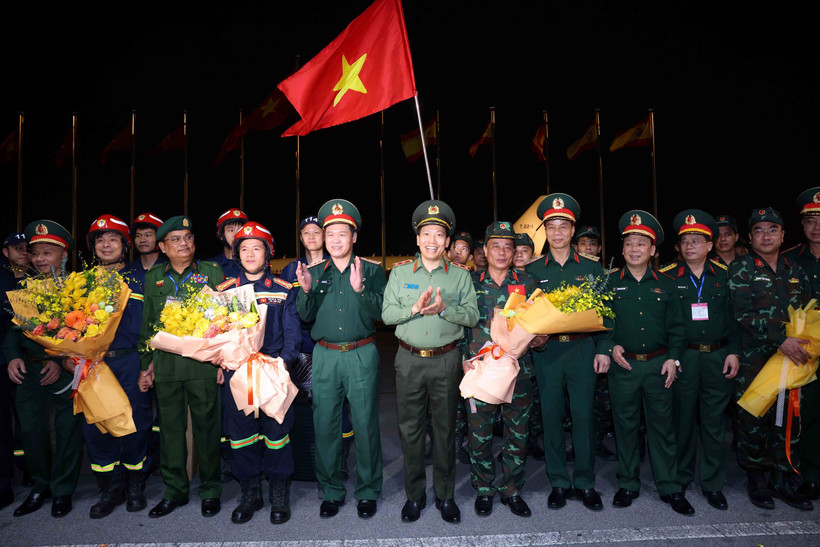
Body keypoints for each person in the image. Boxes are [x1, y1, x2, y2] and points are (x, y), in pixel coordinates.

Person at [382, 200, 478, 523]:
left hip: (445, 361)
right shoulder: (399, 273)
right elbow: (386, 315)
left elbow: (472, 315)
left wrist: (444, 310)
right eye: (427, 234)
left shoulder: (460, 277)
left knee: (445, 429)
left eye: (439, 234)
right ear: (418, 239)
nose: (433, 240)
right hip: (408, 361)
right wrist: (414, 310)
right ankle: (414, 495)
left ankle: (445, 495)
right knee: (410, 431)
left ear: (448, 241)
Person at [295, 199, 386, 519]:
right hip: (325, 357)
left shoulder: (373, 270)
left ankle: (368, 490)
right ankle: (331, 490)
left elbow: (383, 314)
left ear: (354, 236)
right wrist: (306, 290)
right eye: (329, 233)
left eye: (342, 233)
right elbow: (305, 316)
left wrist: (361, 290)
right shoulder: (314, 272)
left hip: (361, 353)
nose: (335, 239)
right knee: (325, 426)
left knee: (365, 425)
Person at [602, 210, 694, 515]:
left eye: (641, 243)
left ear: (653, 250)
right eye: (629, 243)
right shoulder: (610, 282)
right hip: (623, 367)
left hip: (658, 366)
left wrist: (673, 359)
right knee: (625, 427)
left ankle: (670, 486)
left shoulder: (667, 284)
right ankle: (628, 483)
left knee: (662, 428)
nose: (634, 249)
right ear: (623, 248)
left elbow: (678, 329)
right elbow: (603, 324)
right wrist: (611, 345)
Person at [524, 194, 610, 512]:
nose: (557, 232)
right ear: (545, 231)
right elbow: (525, 315)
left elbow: (606, 314)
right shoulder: (532, 270)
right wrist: (532, 338)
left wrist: (603, 349)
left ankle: (585, 482)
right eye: (552, 226)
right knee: (551, 418)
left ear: (572, 231)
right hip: (547, 353)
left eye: (563, 226)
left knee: (584, 418)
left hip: (582, 349)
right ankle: (559, 482)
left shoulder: (592, 268)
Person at [137, 215, 225, 518]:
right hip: (167, 366)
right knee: (170, 431)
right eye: (175, 239)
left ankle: (211, 489)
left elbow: (223, 320)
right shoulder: (155, 277)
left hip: (202, 364)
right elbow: (148, 323)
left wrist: (221, 360)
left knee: (208, 430)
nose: (184, 243)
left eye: (188, 237)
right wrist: (145, 365)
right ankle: (175, 491)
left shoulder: (212, 271)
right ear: (162, 246)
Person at [214, 221, 300, 524]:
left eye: (257, 247)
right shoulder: (225, 291)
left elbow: (293, 335)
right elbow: (215, 334)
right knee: (241, 437)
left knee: (277, 435)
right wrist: (221, 360)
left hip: (272, 371)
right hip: (238, 374)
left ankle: (279, 492)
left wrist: (283, 363)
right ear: (237, 253)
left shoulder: (283, 290)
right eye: (244, 248)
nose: (251, 254)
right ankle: (250, 493)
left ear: (268, 252)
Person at [729, 207, 814, 510]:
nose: (766, 236)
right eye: (759, 230)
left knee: (788, 417)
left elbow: (807, 311)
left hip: (791, 360)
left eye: (772, 230)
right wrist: (782, 339)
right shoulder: (741, 268)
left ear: (782, 235)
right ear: (750, 237)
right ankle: (758, 479)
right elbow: (743, 314)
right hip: (755, 358)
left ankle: (784, 478)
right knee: (754, 419)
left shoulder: (795, 270)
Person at [660, 210, 740, 510]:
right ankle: (680, 476)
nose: (690, 246)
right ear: (678, 248)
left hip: (718, 355)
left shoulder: (725, 276)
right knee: (681, 420)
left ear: (710, 245)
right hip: (684, 358)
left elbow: (736, 319)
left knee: (714, 423)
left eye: (697, 240)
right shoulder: (668, 276)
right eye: (685, 241)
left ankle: (712, 483)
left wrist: (733, 351)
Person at [74, 215, 153, 518]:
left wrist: (150, 364)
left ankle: (135, 485)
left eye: (113, 239)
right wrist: (69, 356)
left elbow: (153, 323)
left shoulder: (141, 277)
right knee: (96, 426)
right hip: (92, 363)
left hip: (131, 359)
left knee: (135, 423)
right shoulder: (80, 281)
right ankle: (109, 488)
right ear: (92, 246)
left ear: (125, 244)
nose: (106, 245)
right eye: (99, 240)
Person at [4, 220, 84, 518]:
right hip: (30, 373)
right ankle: (40, 487)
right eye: (35, 253)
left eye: (47, 253)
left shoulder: (79, 288)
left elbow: (86, 331)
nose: (39, 259)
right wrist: (13, 356)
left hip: (66, 369)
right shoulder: (25, 287)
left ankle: (63, 490)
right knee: (31, 430)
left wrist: (57, 359)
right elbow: (15, 331)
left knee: (68, 431)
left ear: (63, 255)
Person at [462, 221, 537, 518]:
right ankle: (483, 489)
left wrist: (540, 337)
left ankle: (511, 489)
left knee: (517, 435)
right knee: (478, 435)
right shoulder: (470, 281)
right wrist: (461, 359)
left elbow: (538, 325)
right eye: (496, 246)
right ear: (485, 250)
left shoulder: (527, 283)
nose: (503, 252)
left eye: (509, 247)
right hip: (481, 372)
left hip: (518, 372)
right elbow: (459, 325)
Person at [281, 216, 355, 478]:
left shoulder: (335, 265)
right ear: (300, 238)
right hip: (301, 347)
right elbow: (288, 309)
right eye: (306, 233)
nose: (311, 237)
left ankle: (342, 455)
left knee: (340, 403)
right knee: (302, 403)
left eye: (316, 232)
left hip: (330, 344)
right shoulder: (291, 269)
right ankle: (307, 455)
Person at [784, 188, 820, 502]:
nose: (817, 226)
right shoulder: (790, 260)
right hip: (803, 352)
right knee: (807, 414)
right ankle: (810, 474)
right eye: (811, 219)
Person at [1, 232, 31, 509]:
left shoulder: (35, 281)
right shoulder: (3, 278)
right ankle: (4, 482)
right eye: (17, 248)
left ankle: (28, 468)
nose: (23, 252)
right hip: (5, 357)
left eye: (26, 248)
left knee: (25, 420)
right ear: (5, 251)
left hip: (27, 360)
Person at [208, 208, 248, 280]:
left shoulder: (252, 264)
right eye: (231, 230)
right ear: (221, 235)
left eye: (240, 230)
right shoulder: (209, 266)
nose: (236, 235)